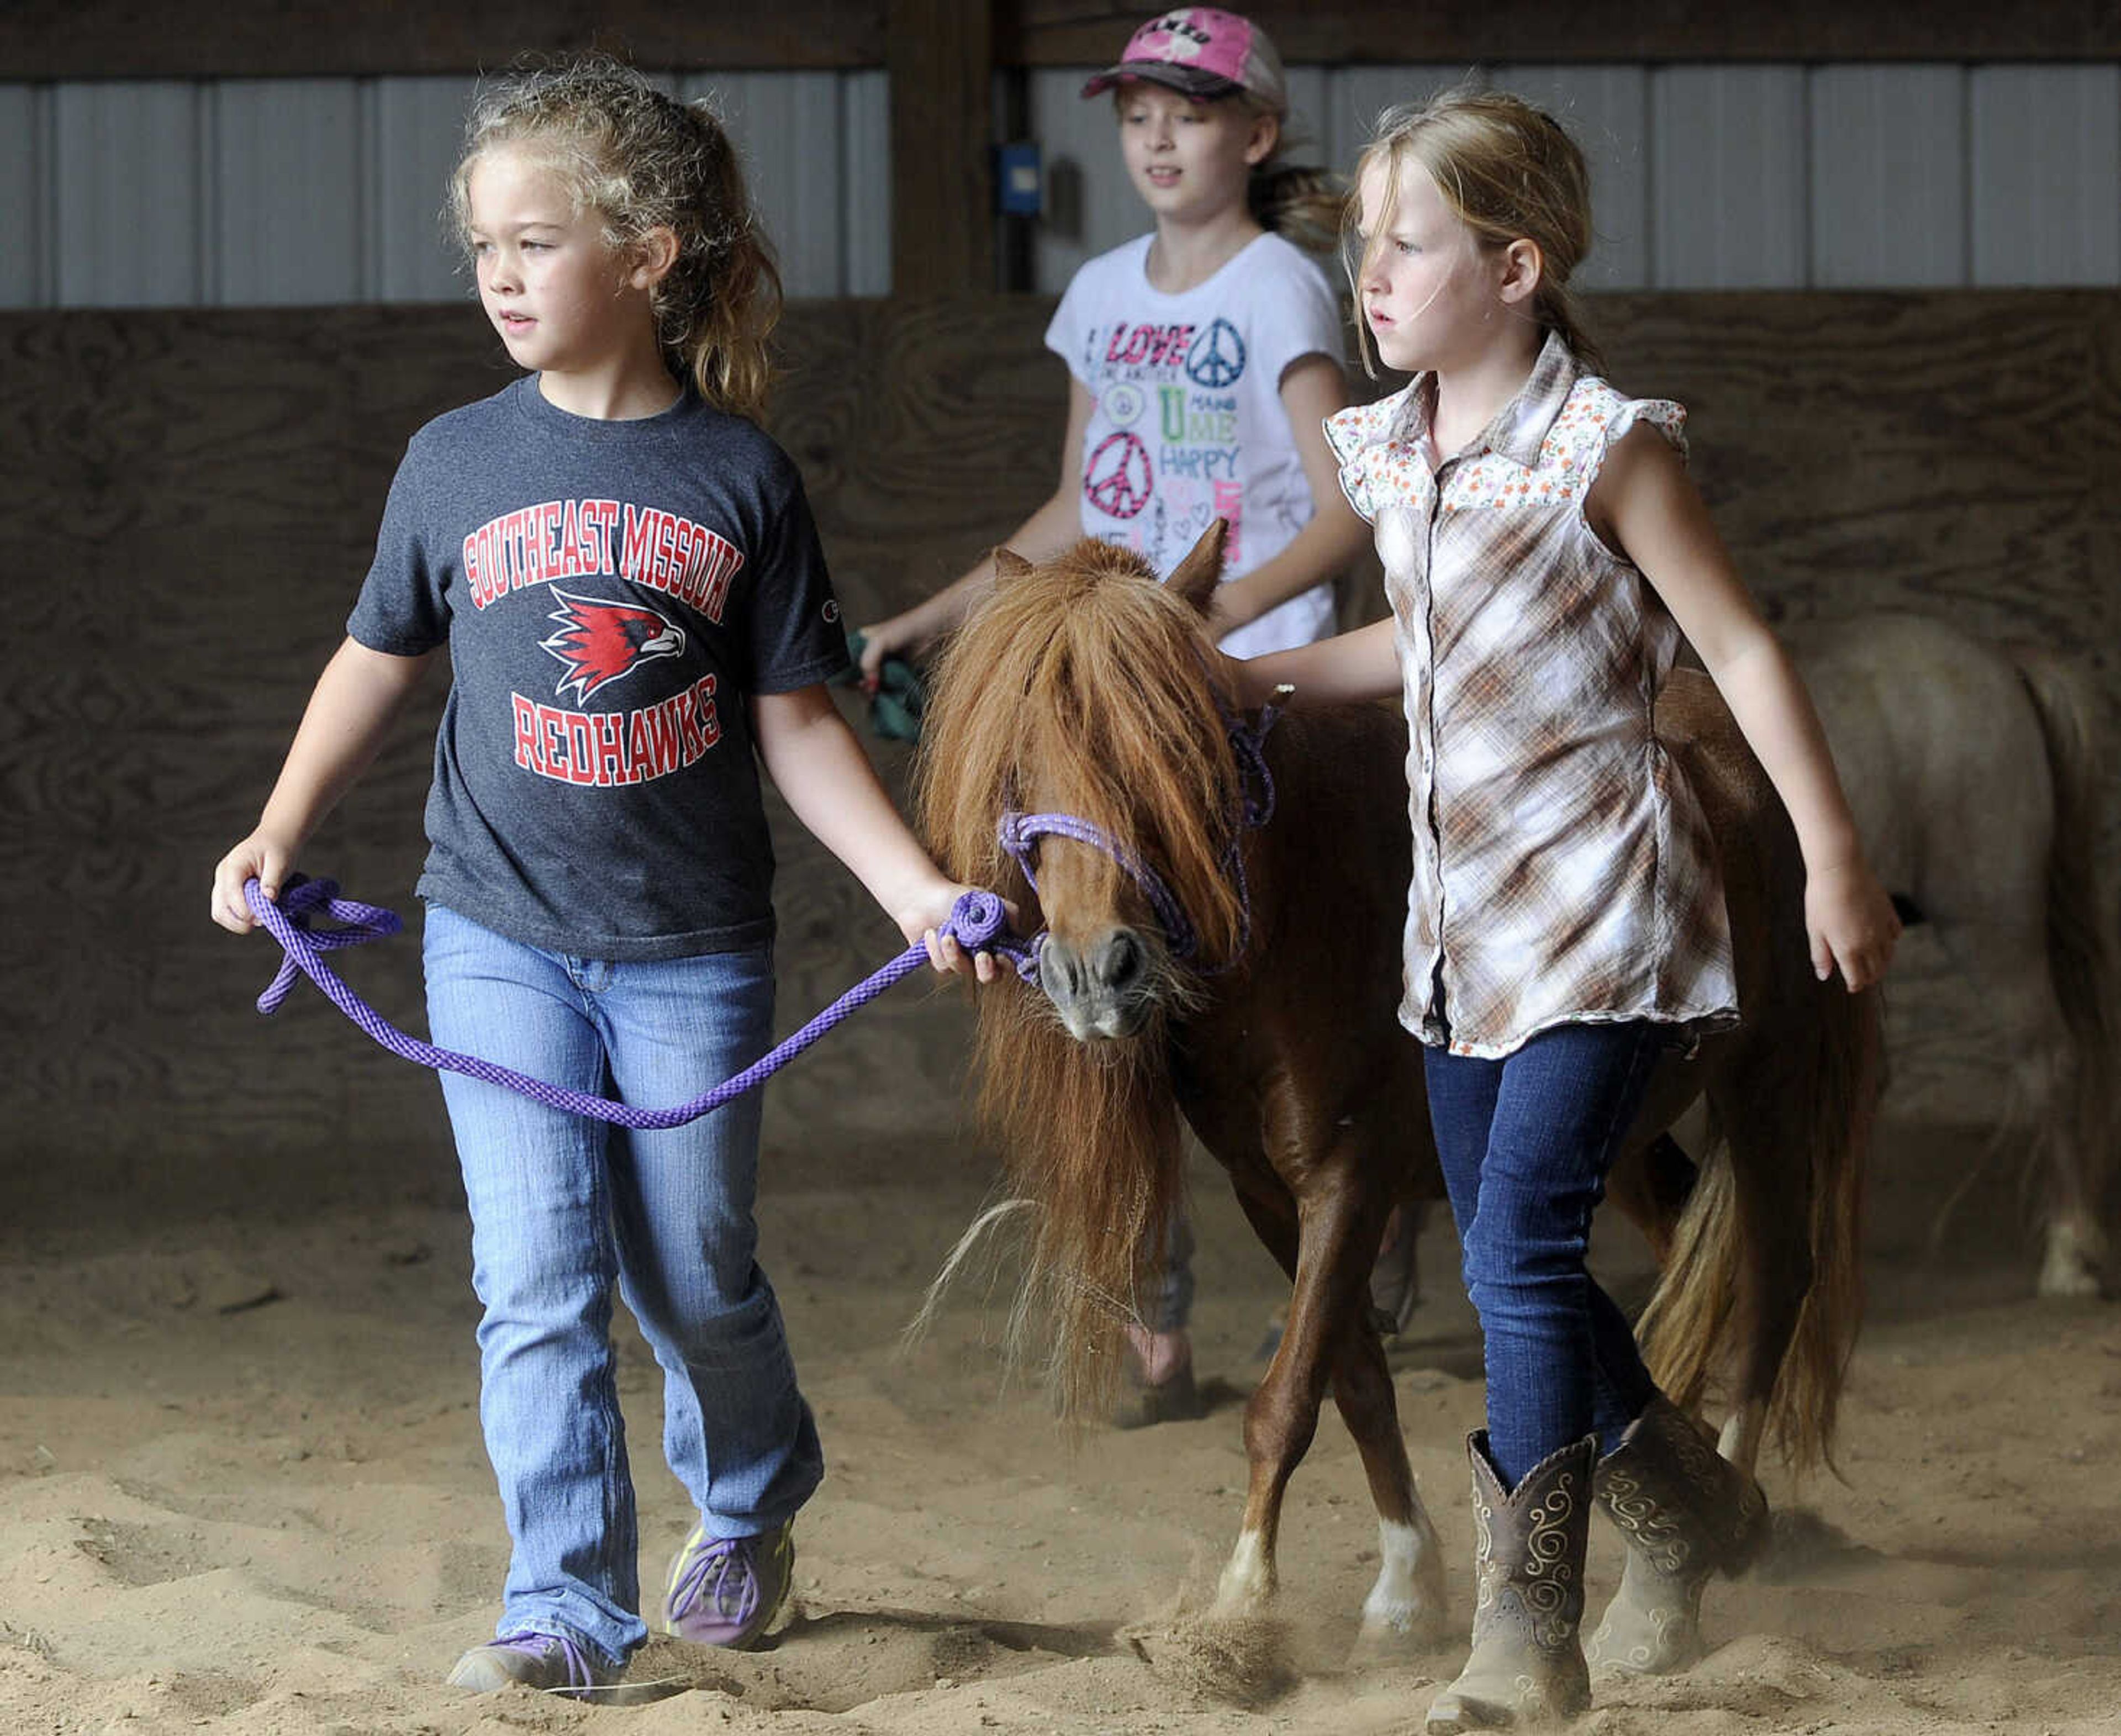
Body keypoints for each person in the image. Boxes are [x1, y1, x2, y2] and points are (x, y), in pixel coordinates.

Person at [208, 58, 1000, 1701]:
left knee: (695, 1269)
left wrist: (918, 891)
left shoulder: (740, 482)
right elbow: (375, 656)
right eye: (481, 249)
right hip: (495, 934)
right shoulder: (450, 463)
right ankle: (564, 1599)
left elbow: (796, 727)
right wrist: (280, 825)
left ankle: (753, 1499)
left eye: (535, 243)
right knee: (539, 1279)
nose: (499, 277)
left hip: (691, 953)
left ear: (647, 255)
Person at [1224, 86, 1901, 1730]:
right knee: (1523, 1265)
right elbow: (1419, 649)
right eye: (1362, 245)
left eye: (1408, 243)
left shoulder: (1606, 448)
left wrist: (1829, 858)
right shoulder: (1394, 454)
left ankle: (1529, 1635)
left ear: (1516, 265)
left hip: (1608, 910)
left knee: (1519, 1254)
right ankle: (1690, 1502)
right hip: (1456, 940)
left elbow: (1736, 649)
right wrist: (1246, 678)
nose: (1369, 276)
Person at [858, 6, 1371, 1422]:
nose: (1156, 133)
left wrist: (1203, 622)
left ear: (1254, 137)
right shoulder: (1098, 297)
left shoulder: (1281, 289)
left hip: (1246, 673)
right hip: (1117, 679)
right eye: (1136, 110)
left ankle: (1379, 1202)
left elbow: (1348, 508)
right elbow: (1084, 502)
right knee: (1078, 960)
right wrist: (929, 620)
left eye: (1190, 111)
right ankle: (1151, 1297)